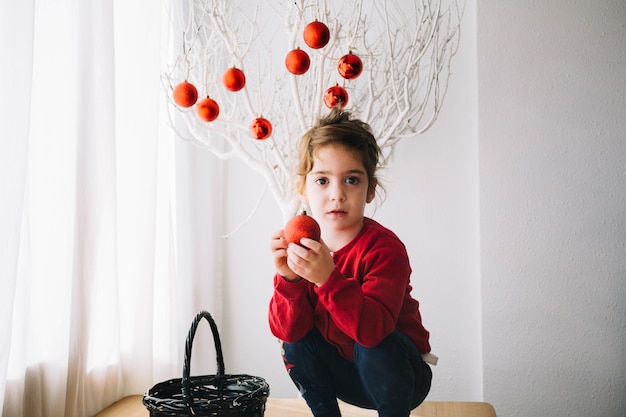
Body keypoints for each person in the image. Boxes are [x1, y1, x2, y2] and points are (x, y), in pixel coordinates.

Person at [268, 108, 436, 417]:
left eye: (351, 180)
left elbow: (373, 333)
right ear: (302, 190)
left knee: (375, 344)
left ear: (370, 189)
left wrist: (327, 279)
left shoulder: (384, 249)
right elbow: (288, 332)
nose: (337, 194)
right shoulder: (304, 248)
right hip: (343, 374)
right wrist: (289, 281)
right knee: (293, 344)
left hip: (401, 379)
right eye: (322, 180)